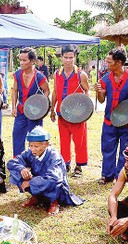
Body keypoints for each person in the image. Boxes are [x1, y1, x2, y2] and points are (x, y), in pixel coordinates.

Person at [8, 126, 82, 215]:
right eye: (31, 145)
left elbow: (54, 179)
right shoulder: (30, 152)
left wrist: (30, 183)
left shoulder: (54, 156)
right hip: (37, 181)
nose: (33, 149)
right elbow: (12, 163)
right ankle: (37, 197)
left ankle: (53, 202)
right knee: (16, 171)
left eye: (36, 146)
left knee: (52, 182)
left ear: (46, 144)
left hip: (55, 187)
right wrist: (21, 169)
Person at [94, 47, 128, 184]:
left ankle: (120, 176)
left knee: (126, 149)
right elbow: (102, 100)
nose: (106, 64)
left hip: (127, 122)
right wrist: (99, 92)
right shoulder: (105, 79)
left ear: (119, 63)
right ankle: (107, 175)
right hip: (109, 120)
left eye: (109, 62)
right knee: (107, 148)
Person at [50, 45, 90, 177]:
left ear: (75, 57)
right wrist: (52, 109)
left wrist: (85, 112)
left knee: (80, 140)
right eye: (66, 57)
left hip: (77, 115)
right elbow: (55, 92)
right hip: (62, 113)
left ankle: (79, 166)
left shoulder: (81, 74)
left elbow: (86, 92)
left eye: (71, 57)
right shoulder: (57, 74)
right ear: (61, 58)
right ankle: (65, 163)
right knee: (64, 139)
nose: (68, 60)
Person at [11, 47, 50, 156]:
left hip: (34, 113)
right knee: (17, 135)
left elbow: (47, 91)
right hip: (21, 111)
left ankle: (36, 160)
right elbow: (14, 90)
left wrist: (41, 106)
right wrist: (13, 107)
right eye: (20, 60)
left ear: (32, 61)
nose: (21, 63)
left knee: (35, 138)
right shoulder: (17, 74)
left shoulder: (39, 77)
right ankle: (18, 160)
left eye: (24, 60)